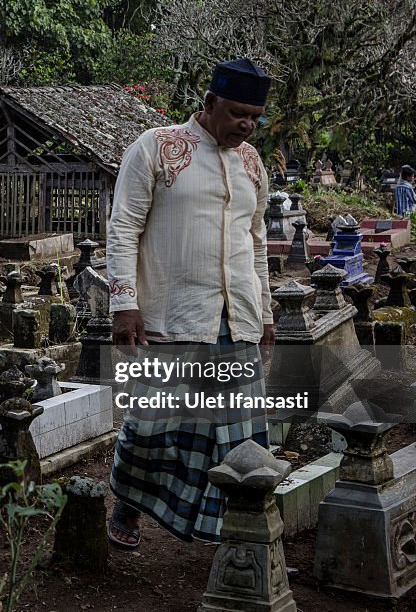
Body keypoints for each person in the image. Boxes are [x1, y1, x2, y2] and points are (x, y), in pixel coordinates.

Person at [105, 58, 275, 548]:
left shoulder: (252, 164)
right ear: (209, 103)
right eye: (238, 112)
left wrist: (263, 311)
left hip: (235, 316)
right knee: (153, 425)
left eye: (255, 117)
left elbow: (257, 241)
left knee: (236, 433)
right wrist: (124, 302)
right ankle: (130, 506)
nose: (246, 124)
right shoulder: (157, 148)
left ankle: (235, 531)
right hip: (171, 314)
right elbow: (123, 227)